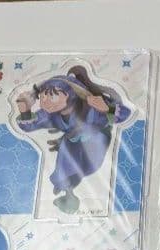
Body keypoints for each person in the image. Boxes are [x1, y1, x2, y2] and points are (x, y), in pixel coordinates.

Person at [14, 65, 132, 213]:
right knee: (65, 162)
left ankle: (72, 189)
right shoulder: (50, 115)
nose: (46, 101)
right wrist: (25, 110)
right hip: (71, 143)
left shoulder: (91, 108)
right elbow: (30, 125)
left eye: (53, 96)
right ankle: (67, 191)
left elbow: (125, 114)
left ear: (71, 95)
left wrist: (107, 108)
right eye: (43, 96)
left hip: (96, 140)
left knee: (82, 159)